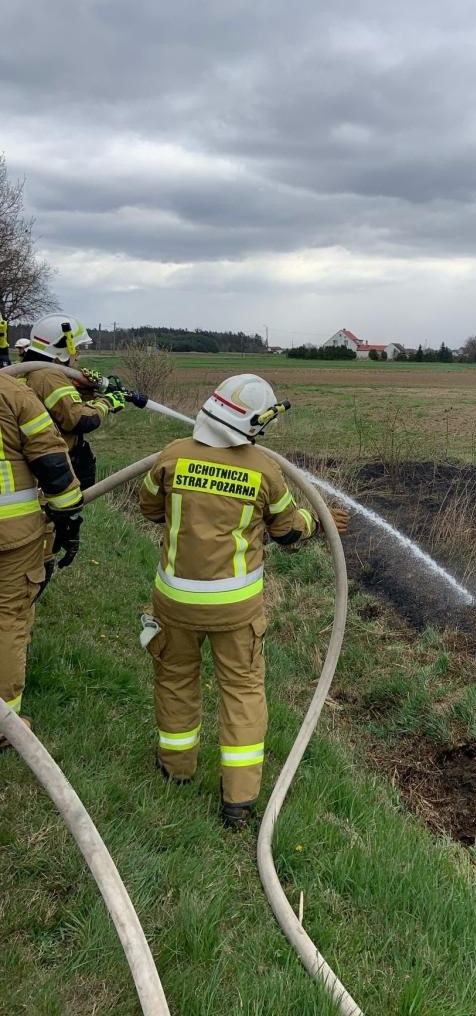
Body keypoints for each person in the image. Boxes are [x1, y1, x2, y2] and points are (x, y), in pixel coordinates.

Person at [138, 374, 349, 828]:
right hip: (236, 611)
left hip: (174, 603)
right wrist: (319, 521)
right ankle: (238, 800)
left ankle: (176, 770)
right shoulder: (264, 470)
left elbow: (150, 509)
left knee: (175, 680)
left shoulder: (171, 456)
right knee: (242, 692)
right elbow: (288, 530)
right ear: (254, 423)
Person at [0, 370, 83, 747]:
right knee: (8, 619)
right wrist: (68, 519)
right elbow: (51, 461)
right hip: (10, 538)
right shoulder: (13, 393)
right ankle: (5, 725)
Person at [22, 312, 144, 489]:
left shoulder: (25, 371)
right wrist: (107, 402)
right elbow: (79, 420)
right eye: (76, 349)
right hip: (51, 466)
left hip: (36, 462)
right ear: (62, 348)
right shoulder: (48, 376)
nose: (77, 356)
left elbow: (56, 410)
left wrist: (84, 391)